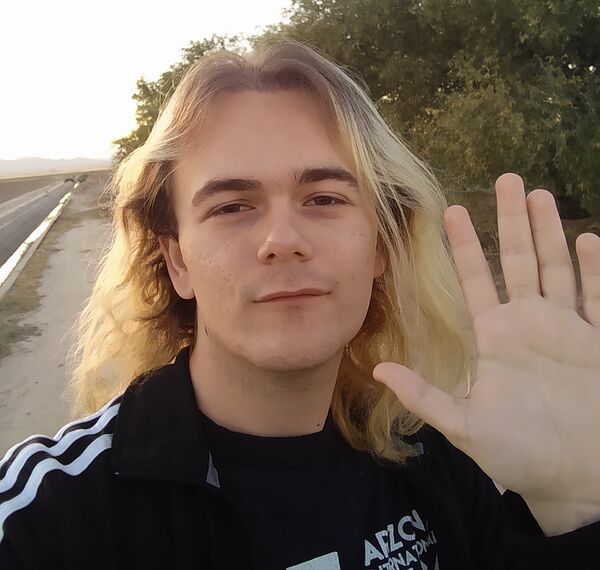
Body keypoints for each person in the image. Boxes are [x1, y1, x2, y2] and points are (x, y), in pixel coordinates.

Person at [1, 38, 599, 570]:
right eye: (232, 206)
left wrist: (575, 507)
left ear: (381, 246)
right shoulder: (49, 516)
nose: (282, 240)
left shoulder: (436, 462)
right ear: (177, 260)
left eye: (324, 198)